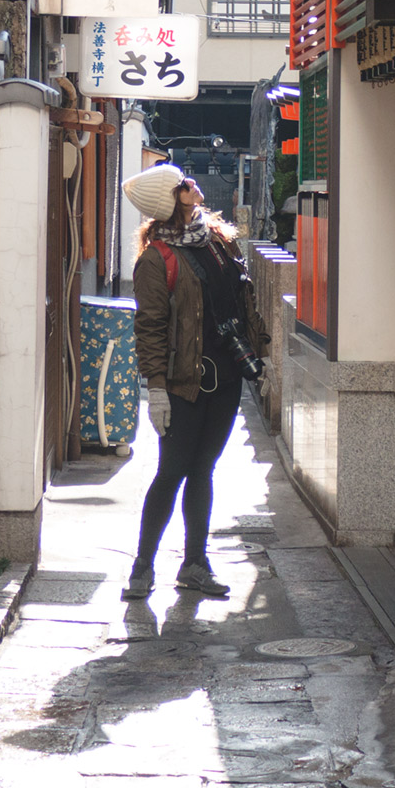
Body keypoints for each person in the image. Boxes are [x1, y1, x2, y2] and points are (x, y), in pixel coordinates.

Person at [121, 162, 271, 601]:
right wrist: (155, 388)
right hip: (183, 383)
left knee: (203, 469)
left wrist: (260, 355)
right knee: (172, 471)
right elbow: (149, 327)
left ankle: (195, 563)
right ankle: (143, 566)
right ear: (171, 201)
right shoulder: (155, 260)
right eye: (182, 184)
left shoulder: (219, 240)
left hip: (226, 378)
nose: (193, 184)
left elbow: (244, 302)